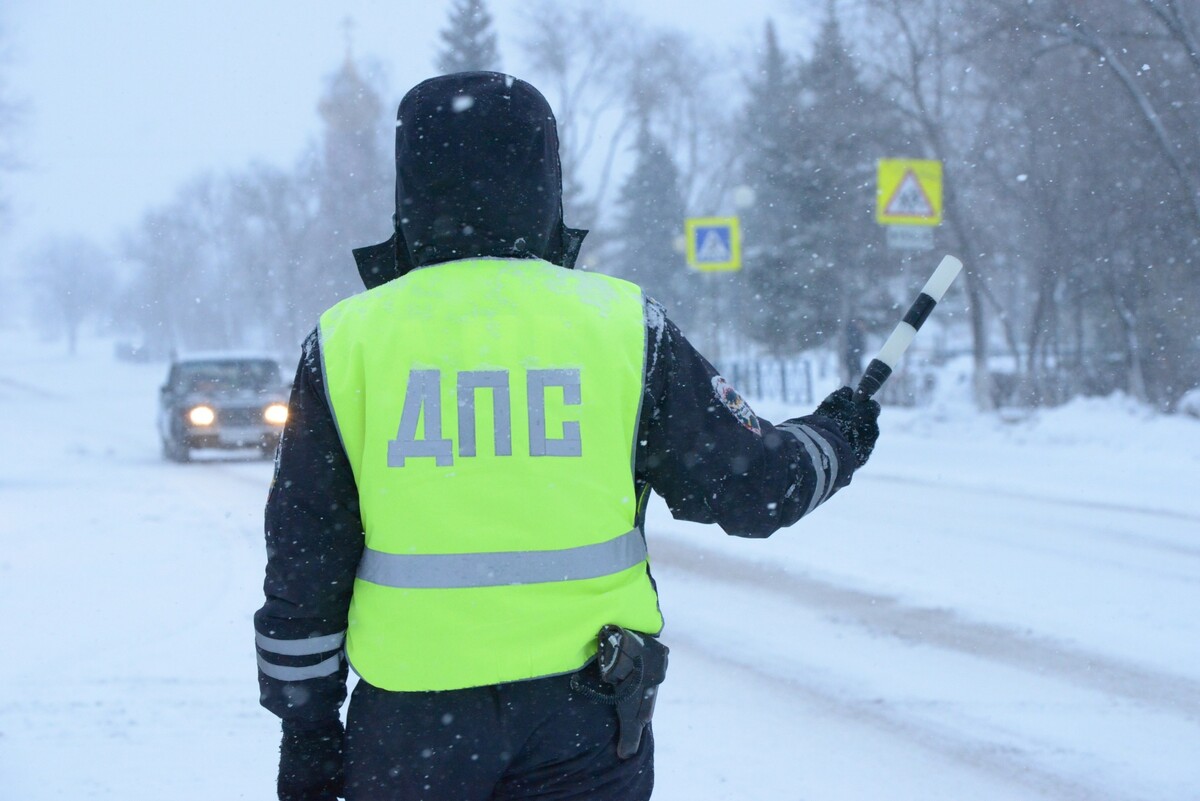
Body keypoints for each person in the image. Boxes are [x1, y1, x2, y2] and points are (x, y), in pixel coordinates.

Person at [254, 71, 881, 801]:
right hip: (583, 719)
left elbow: (304, 555)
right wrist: (837, 435)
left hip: (411, 729)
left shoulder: (347, 340)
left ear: (411, 183)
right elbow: (758, 489)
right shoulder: (620, 325)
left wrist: (307, 729)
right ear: (545, 176)